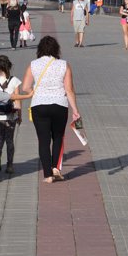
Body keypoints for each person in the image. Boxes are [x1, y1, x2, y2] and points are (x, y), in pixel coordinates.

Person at [22, 36, 81, 183]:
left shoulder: (33, 65)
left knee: (43, 140)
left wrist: (35, 92)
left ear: (40, 49)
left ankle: (47, 175)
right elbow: (69, 89)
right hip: (59, 105)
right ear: (56, 49)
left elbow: (25, 87)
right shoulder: (64, 65)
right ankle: (56, 168)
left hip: (39, 105)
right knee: (58, 137)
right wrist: (75, 110)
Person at [0, 55, 20, 175]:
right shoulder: (15, 80)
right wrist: (19, 115)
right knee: (10, 141)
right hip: (10, 116)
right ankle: (10, 165)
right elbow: (17, 100)